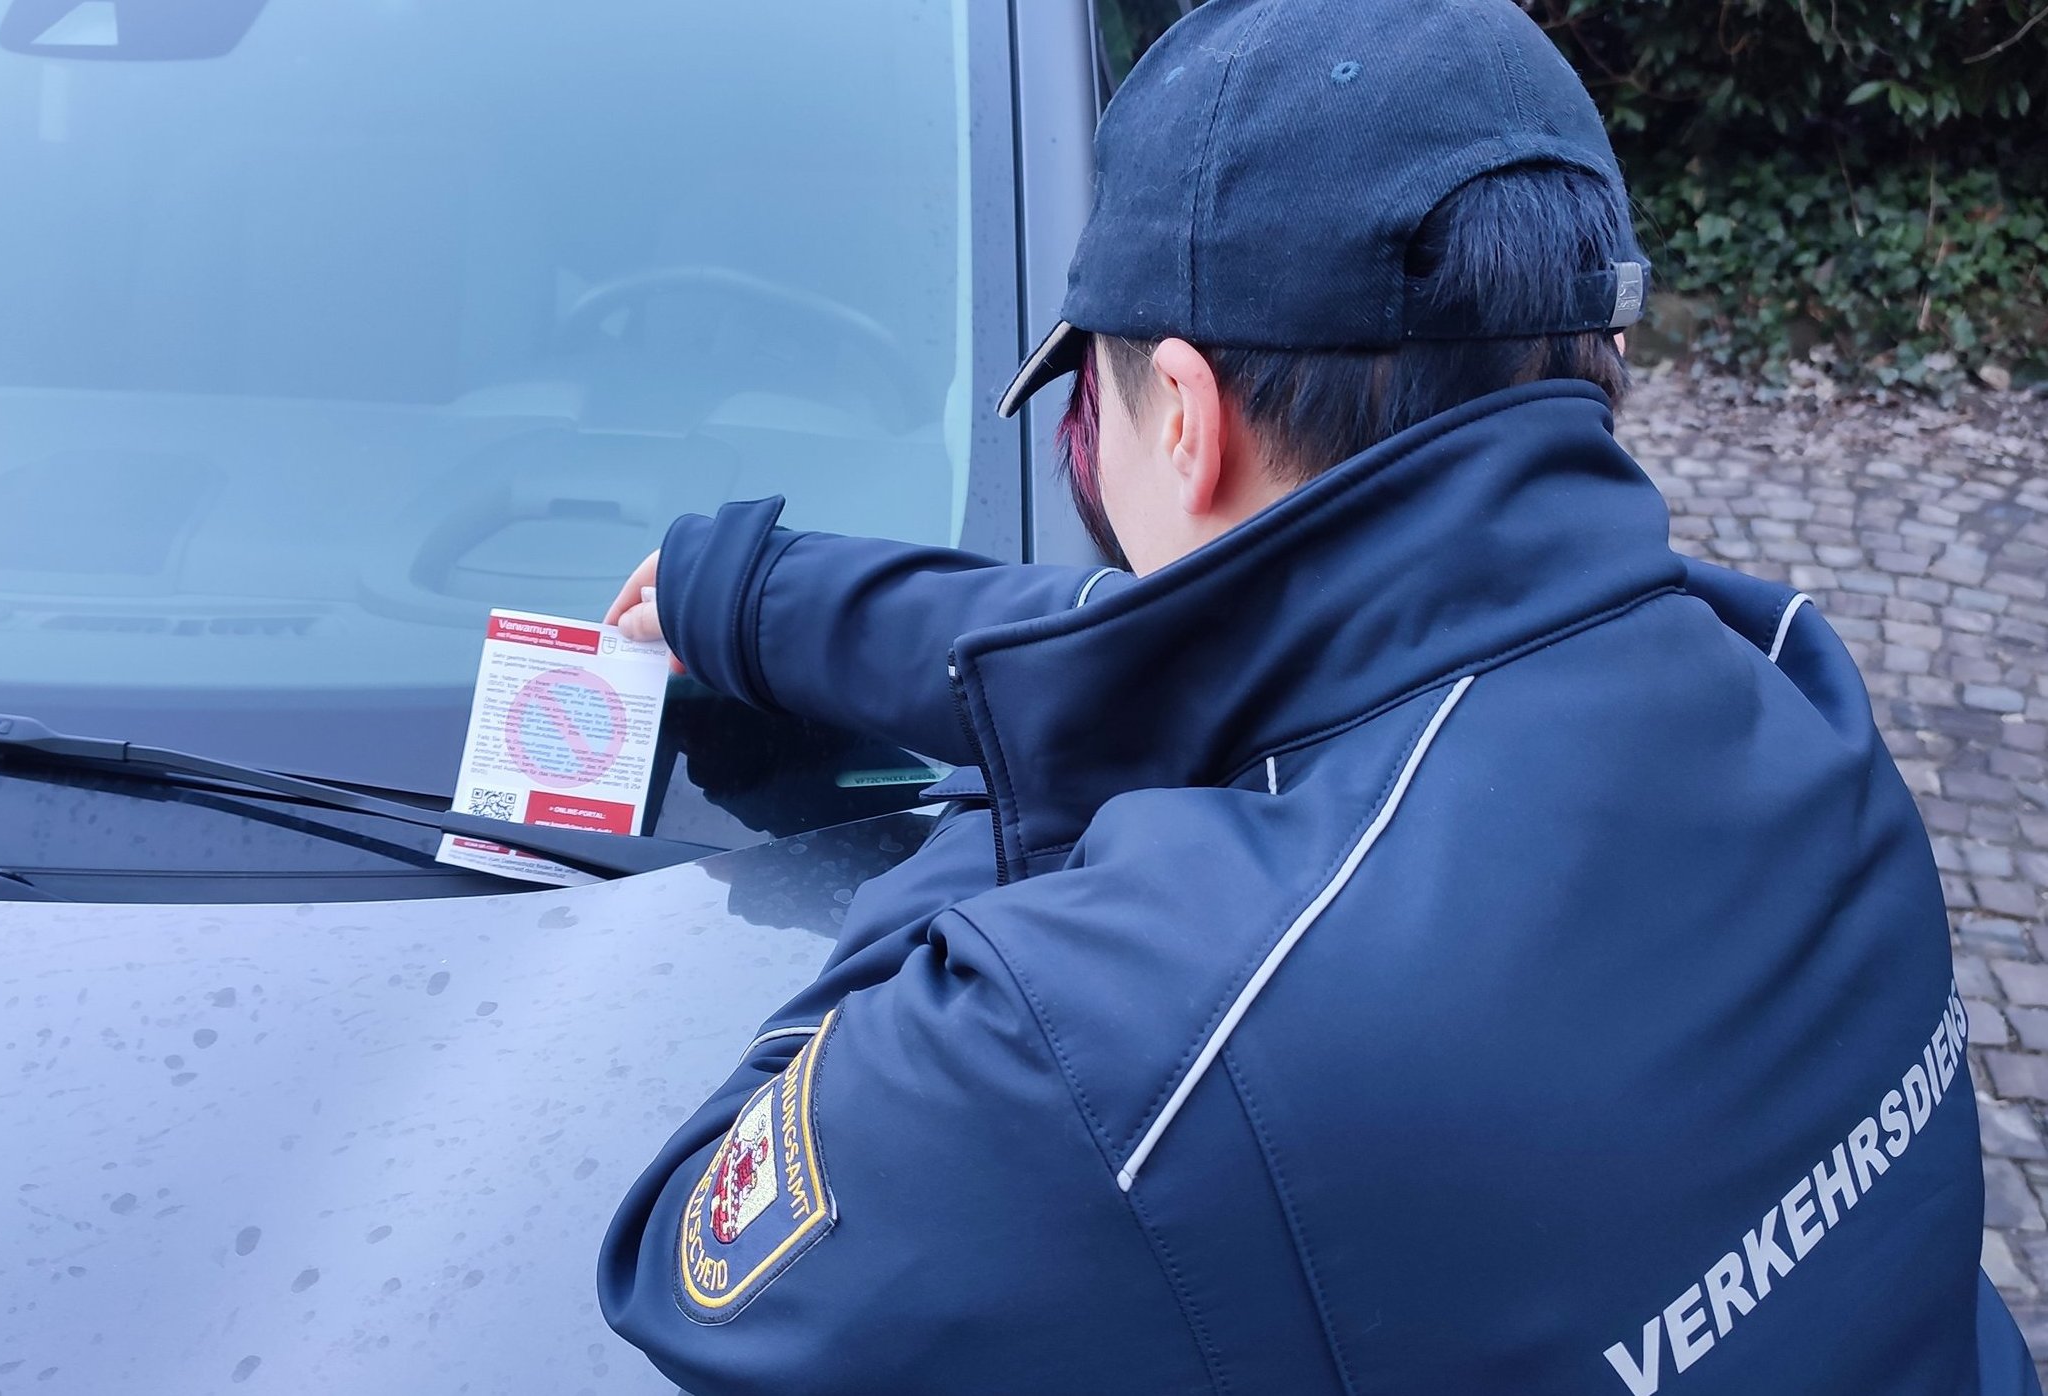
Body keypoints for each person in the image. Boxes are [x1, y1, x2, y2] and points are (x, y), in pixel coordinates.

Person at [597, 0, 2040, 1391]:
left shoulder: (1123, 1049)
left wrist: (1064, 733)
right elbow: (1216, 634)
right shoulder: (1785, 680)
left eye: (1087, 409)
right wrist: (763, 599)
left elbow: (690, 1262)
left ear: (1183, 418)